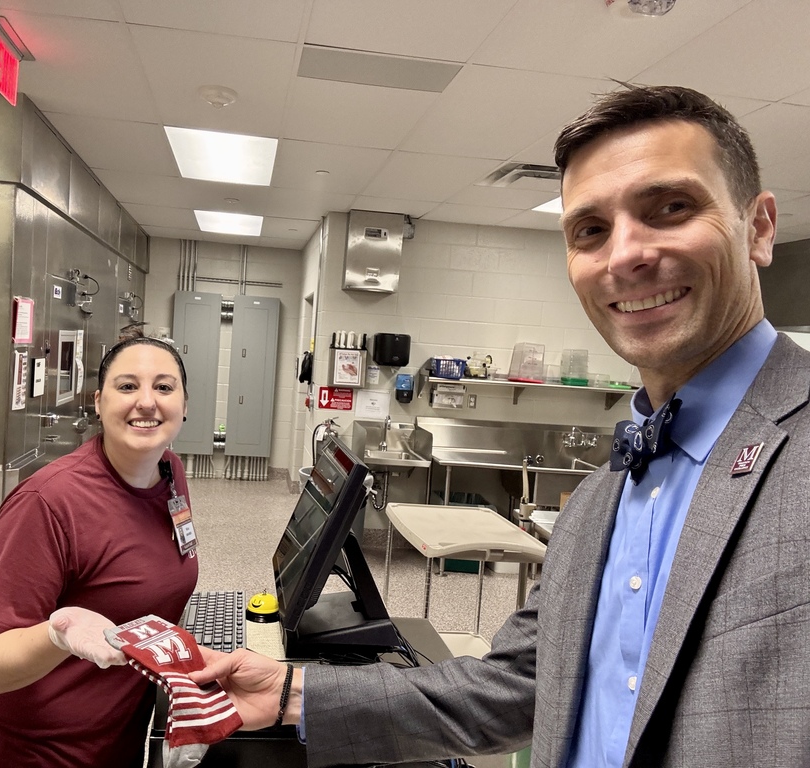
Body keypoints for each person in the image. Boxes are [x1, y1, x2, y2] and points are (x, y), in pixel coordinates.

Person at [192, 84, 810, 767]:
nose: (625, 255)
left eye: (671, 208)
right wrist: (292, 694)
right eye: (591, 230)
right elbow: (518, 688)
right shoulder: (602, 498)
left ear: (759, 228)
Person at [0, 332, 197, 768]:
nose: (146, 402)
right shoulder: (49, 502)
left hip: (115, 747)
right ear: (99, 402)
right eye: (127, 386)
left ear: (184, 405)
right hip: (31, 757)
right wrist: (58, 634)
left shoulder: (169, 471)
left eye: (163, 387)